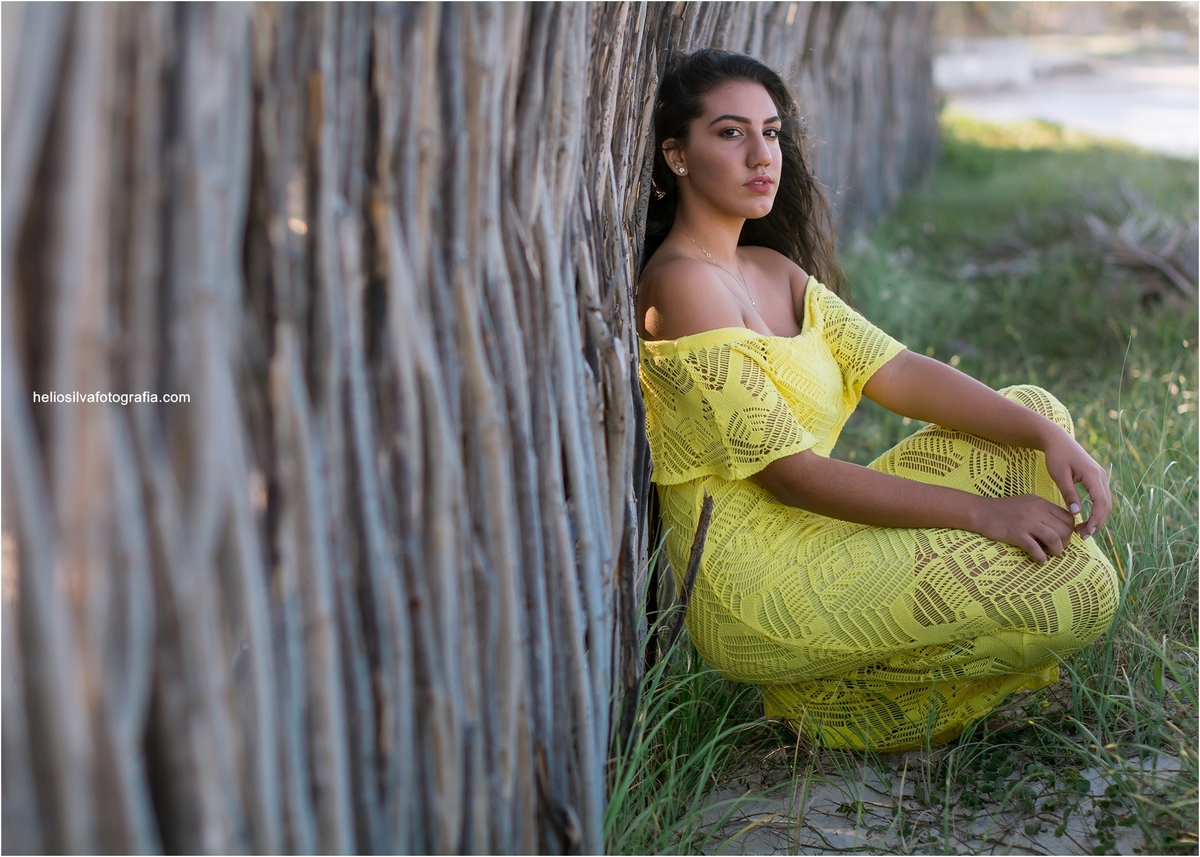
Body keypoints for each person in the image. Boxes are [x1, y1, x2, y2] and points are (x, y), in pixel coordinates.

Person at [635, 49, 1120, 751]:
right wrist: (986, 515)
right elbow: (793, 477)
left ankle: (844, 679)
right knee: (1082, 590)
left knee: (1033, 411)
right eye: (731, 133)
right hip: (755, 582)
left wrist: (1051, 438)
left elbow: (899, 371)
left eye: (771, 132)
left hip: (818, 533)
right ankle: (843, 706)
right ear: (677, 155)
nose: (761, 154)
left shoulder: (770, 268)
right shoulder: (682, 286)